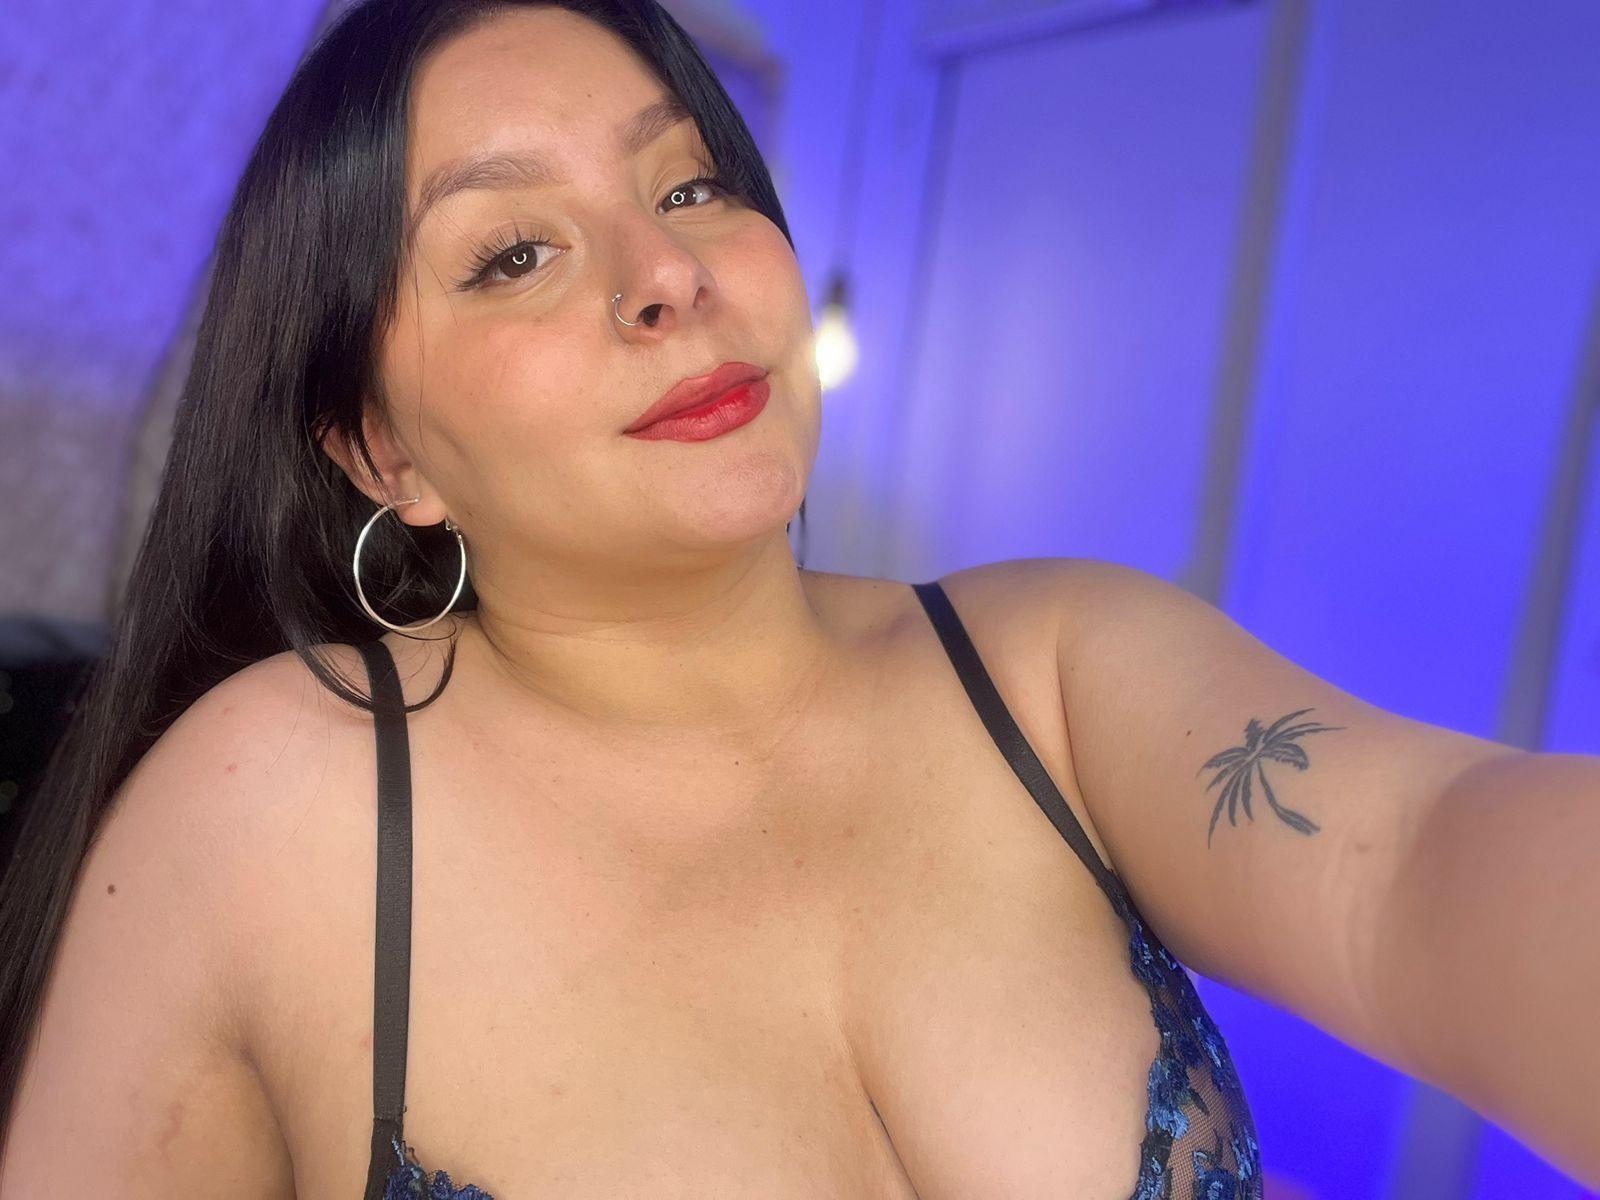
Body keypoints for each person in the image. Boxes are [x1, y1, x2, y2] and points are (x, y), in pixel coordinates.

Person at [4, 1, 1598, 1196]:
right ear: (381, 450)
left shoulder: (1051, 665)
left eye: (692, 186)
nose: (668, 275)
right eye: (512, 255)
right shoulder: (272, 802)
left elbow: (1419, 864)